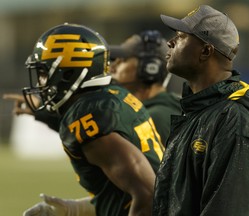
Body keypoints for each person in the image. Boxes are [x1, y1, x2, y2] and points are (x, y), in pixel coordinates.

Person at [5, 23, 164, 216]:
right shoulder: (113, 94)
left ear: (69, 74)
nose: (40, 82)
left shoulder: (88, 116)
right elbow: (122, 195)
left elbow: (148, 194)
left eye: (44, 73)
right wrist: (75, 210)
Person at [152, 5, 249, 216]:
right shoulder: (199, 111)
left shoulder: (236, 122)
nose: (170, 42)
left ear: (206, 51)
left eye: (180, 36)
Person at [109, 30, 181, 145]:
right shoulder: (151, 111)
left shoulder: (156, 117)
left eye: (123, 60)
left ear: (150, 68)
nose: (113, 67)